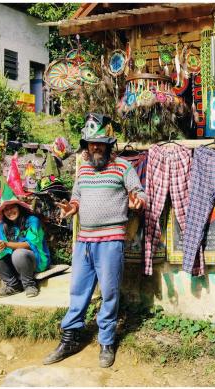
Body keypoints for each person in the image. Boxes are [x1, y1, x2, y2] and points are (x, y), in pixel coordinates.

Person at [46, 113, 147, 368]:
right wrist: (71, 208)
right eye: (92, 143)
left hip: (111, 241)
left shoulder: (123, 167)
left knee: (110, 293)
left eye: (100, 143)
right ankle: (69, 338)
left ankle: (106, 342)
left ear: (108, 144)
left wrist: (137, 201)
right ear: (86, 146)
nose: (96, 147)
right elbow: (77, 198)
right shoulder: (83, 171)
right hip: (84, 242)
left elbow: (139, 193)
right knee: (78, 291)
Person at [0, 198, 51, 298]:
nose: (9, 211)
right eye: (6, 209)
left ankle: (29, 285)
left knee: (19, 253)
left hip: (37, 259)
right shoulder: (2, 226)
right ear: (3, 212)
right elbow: (4, 246)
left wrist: (7, 244)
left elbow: (31, 245)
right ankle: (14, 286)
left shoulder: (32, 220)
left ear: (19, 207)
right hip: (15, 262)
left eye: (12, 207)